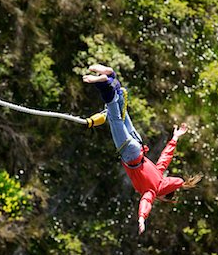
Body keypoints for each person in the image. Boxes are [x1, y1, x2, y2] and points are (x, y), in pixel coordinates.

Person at [83, 64, 202, 235]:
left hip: (138, 144)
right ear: (162, 196)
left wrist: (175, 137)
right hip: (129, 153)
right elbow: (146, 201)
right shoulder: (153, 191)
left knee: (122, 110)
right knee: (115, 116)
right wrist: (141, 218)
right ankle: (102, 83)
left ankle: (111, 77)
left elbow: (165, 158)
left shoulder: (160, 176)